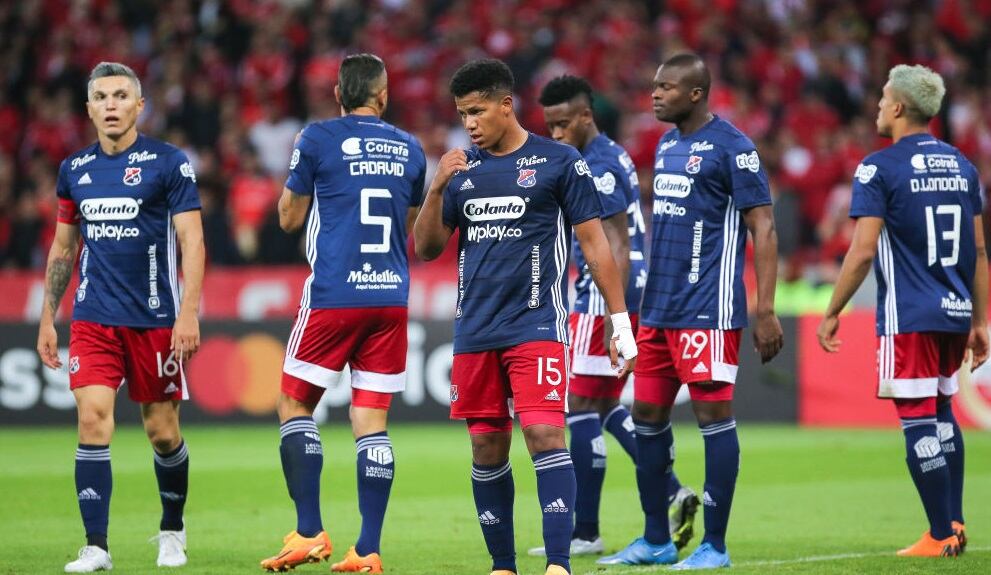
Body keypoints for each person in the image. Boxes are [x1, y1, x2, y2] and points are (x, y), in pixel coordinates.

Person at [414, 58, 637, 575]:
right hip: (473, 332)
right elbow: (425, 248)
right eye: (462, 114)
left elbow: (595, 244)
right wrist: (436, 187)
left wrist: (619, 320)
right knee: (487, 445)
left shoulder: (559, 162)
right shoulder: (462, 171)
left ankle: (558, 563)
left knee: (544, 435)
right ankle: (503, 566)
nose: (468, 123)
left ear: (506, 105)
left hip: (536, 325)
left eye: (477, 111)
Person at [601, 53, 783, 569]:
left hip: (709, 308)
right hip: (658, 310)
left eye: (667, 87)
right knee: (646, 417)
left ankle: (716, 546)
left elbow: (763, 227)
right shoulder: (667, 144)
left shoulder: (734, 148)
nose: (655, 94)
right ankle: (657, 539)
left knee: (712, 418)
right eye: (654, 85)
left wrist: (763, 308)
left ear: (696, 93)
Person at [259, 53, 426, 574]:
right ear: (383, 95)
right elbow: (415, 227)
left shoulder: (315, 137)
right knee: (370, 422)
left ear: (337, 94)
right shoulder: (412, 147)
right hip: (391, 298)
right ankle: (368, 549)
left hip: (334, 294)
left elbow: (288, 218)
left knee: (294, 404)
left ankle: (309, 532)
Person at [37, 62, 204, 573]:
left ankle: (172, 531)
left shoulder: (168, 163)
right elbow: (64, 247)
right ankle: (97, 546)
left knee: (162, 432)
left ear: (139, 106)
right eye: (101, 97)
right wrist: (48, 315)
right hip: (93, 318)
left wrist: (188, 312)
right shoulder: (74, 171)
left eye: (120, 96)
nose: (110, 105)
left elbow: (192, 240)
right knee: (91, 419)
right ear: (88, 109)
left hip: (155, 320)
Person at [817, 64, 985, 558]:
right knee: (942, 409)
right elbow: (977, 249)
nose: (875, 106)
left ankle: (939, 534)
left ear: (897, 108)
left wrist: (832, 310)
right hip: (955, 311)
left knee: (916, 419)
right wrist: (978, 320)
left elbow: (862, 251)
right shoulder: (962, 164)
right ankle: (953, 521)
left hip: (908, 315)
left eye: (881, 98)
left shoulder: (878, 167)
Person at [530, 75, 698, 558]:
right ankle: (671, 491)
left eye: (564, 124)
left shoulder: (598, 166)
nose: (557, 134)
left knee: (579, 407)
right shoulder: (610, 155)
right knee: (604, 407)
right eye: (550, 126)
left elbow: (615, 242)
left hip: (602, 292)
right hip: (626, 287)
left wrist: (611, 312)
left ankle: (585, 532)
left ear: (586, 116)